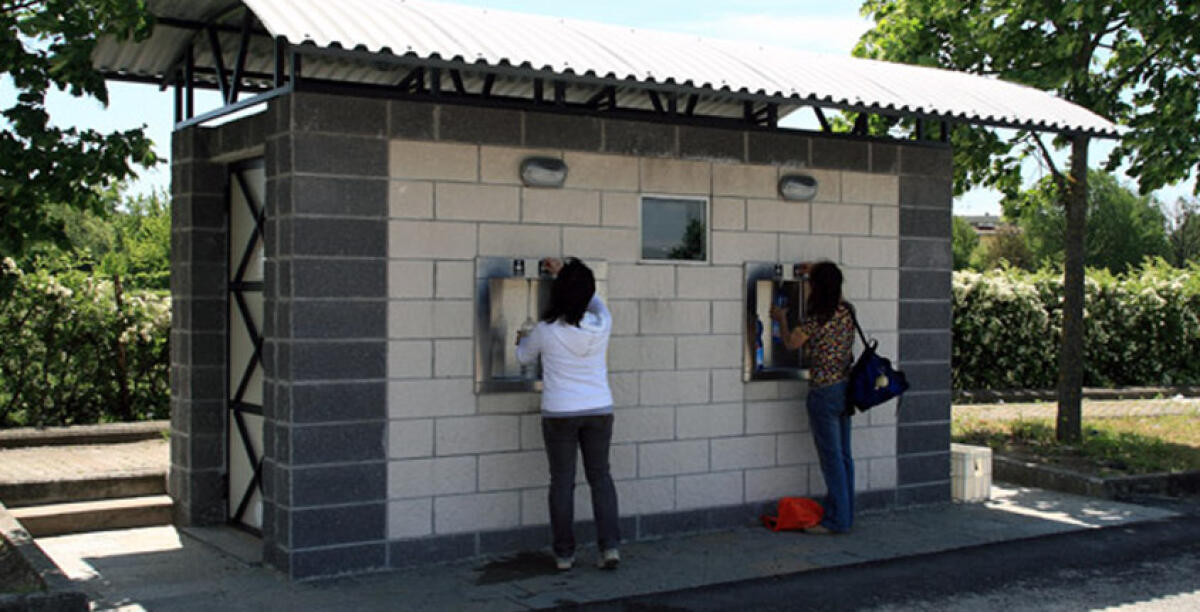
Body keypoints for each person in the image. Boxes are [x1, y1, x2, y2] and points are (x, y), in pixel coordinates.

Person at [516, 257, 621, 570]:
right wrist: (570, 276)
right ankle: (610, 548)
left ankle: (564, 554)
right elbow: (595, 301)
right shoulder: (602, 324)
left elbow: (522, 358)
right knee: (600, 478)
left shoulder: (545, 331)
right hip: (599, 409)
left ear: (558, 294)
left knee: (562, 482)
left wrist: (520, 338)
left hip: (560, 412)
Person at [770, 261, 856, 534]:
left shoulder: (815, 318)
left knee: (831, 460)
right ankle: (845, 514)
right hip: (845, 389)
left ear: (817, 288)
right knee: (844, 457)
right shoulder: (847, 311)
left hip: (823, 392)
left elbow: (790, 343)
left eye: (810, 283)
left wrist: (780, 318)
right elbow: (832, 280)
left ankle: (837, 522)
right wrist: (817, 269)